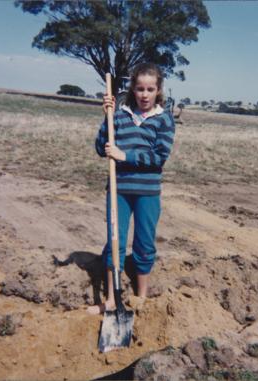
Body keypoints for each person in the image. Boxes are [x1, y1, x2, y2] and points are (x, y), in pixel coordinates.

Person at [87, 63, 175, 314]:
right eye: (140, 89)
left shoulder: (164, 119)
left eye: (150, 89)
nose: (144, 94)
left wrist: (124, 156)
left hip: (148, 193)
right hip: (119, 190)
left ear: (158, 90)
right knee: (115, 241)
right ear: (132, 89)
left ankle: (141, 297)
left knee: (144, 243)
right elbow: (100, 147)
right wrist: (107, 116)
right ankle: (112, 299)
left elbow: (159, 157)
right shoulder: (119, 115)